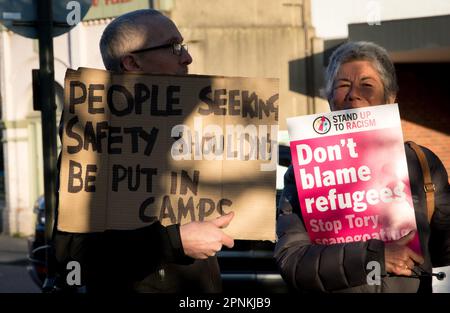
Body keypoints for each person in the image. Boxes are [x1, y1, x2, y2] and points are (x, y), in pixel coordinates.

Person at [53, 9, 234, 293]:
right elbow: (75, 256)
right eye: (173, 47)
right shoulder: (93, 142)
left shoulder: (187, 131)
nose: (187, 57)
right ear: (132, 62)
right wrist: (175, 242)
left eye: (183, 46)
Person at [274, 41, 450, 293]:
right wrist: (374, 256)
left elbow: (446, 252)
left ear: (390, 97)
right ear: (329, 99)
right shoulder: (303, 172)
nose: (353, 94)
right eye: (342, 85)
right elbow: (292, 262)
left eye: (367, 85)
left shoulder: (422, 162)